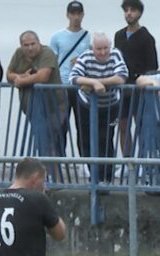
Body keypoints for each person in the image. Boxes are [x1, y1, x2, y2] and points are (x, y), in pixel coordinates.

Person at [69, 32, 128, 182]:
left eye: (105, 48)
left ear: (110, 47)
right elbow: (74, 77)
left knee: (106, 138)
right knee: (85, 140)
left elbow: (121, 76)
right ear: (92, 48)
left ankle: (106, 178)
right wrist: (94, 84)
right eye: (98, 49)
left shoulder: (115, 55)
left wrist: (96, 82)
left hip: (111, 106)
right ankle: (93, 175)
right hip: (86, 106)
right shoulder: (85, 57)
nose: (102, 52)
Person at [7, 31, 64, 165]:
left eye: (33, 44)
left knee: (50, 141)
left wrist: (22, 80)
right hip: (32, 108)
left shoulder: (47, 53)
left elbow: (43, 76)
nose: (30, 48)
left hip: (53, 107)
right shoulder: (18, 54)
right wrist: (17, 77)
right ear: (21, 46)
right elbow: (9, 74)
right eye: (26, 45)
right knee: (41, 141)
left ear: (39, 43)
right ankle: (45, 176)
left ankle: (54, 179)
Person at [114, 0, 158, 164]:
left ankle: (142, 162)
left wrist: (144, 81)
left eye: (132, 10)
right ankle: (127, 162)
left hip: (139, 87)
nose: (128, 13)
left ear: (139, 13)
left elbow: (152, 66)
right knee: (123, 126)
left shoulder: (147, 37)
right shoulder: (119, 35)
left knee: (141, 126)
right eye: (126, 10)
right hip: (122, 86)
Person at [50, 1, 91, 155]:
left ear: (83, 15)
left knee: (83, 127)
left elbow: (91, 60)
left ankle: (86, 163)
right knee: (60, 127)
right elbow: (52, 61)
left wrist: (81, 61)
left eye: (79, 13)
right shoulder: (57, 36)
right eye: (73, 13)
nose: (76, 17)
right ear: (67, 15)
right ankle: (59, 163)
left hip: (81, 87)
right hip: (62, 86)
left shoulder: (87, 37)